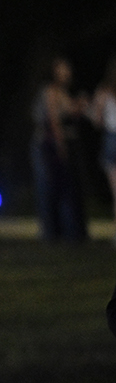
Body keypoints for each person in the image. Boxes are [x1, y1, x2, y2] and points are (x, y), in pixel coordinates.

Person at [30, 55, 87, 243]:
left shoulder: (64, 92)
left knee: (67, 188)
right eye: (62, 69)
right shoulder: (51, 91)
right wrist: (60, 145)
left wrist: (78, 105)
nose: (66, 72)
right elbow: (54, 121)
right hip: (48, 145)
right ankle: (51, 233)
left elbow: (72, 114)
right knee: (50, 187)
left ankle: (70, 232)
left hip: (62, 142)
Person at [88, 56, 116, 243]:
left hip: (111, 138)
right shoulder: (105, 90)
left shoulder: (103, 91)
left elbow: (97, 121)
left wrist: (88, 110)